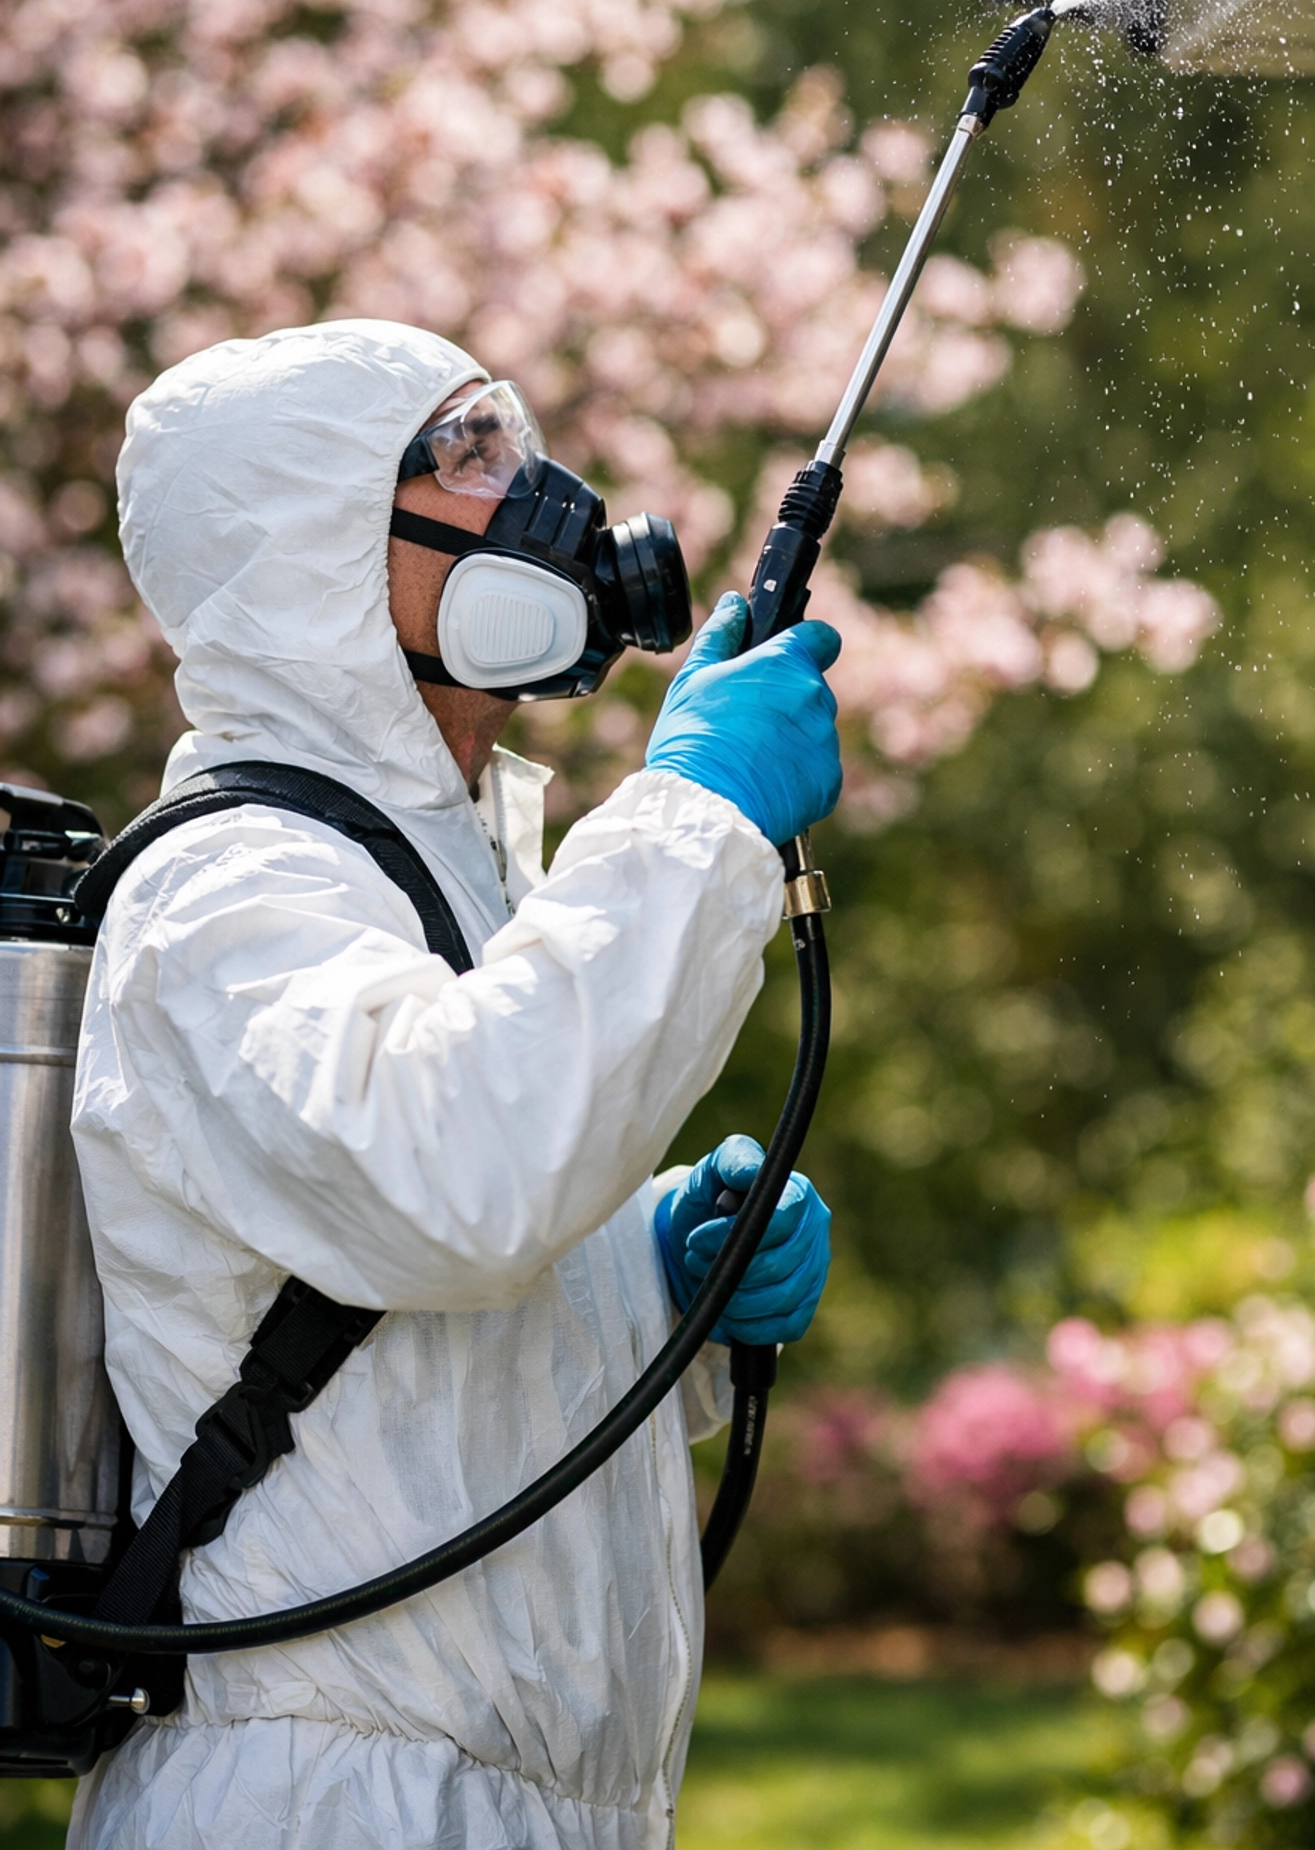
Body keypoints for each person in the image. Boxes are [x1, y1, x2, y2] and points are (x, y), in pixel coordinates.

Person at [67, 318, 841, 1850]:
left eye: (509, 433)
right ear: (318, 554)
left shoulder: (433, 869)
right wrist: (691, 817)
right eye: (466, 452)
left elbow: (421, 1347)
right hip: (319, 1807)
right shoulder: (229, 894)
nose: (535, 485)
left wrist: (656, 1271)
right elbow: (458, 1186)